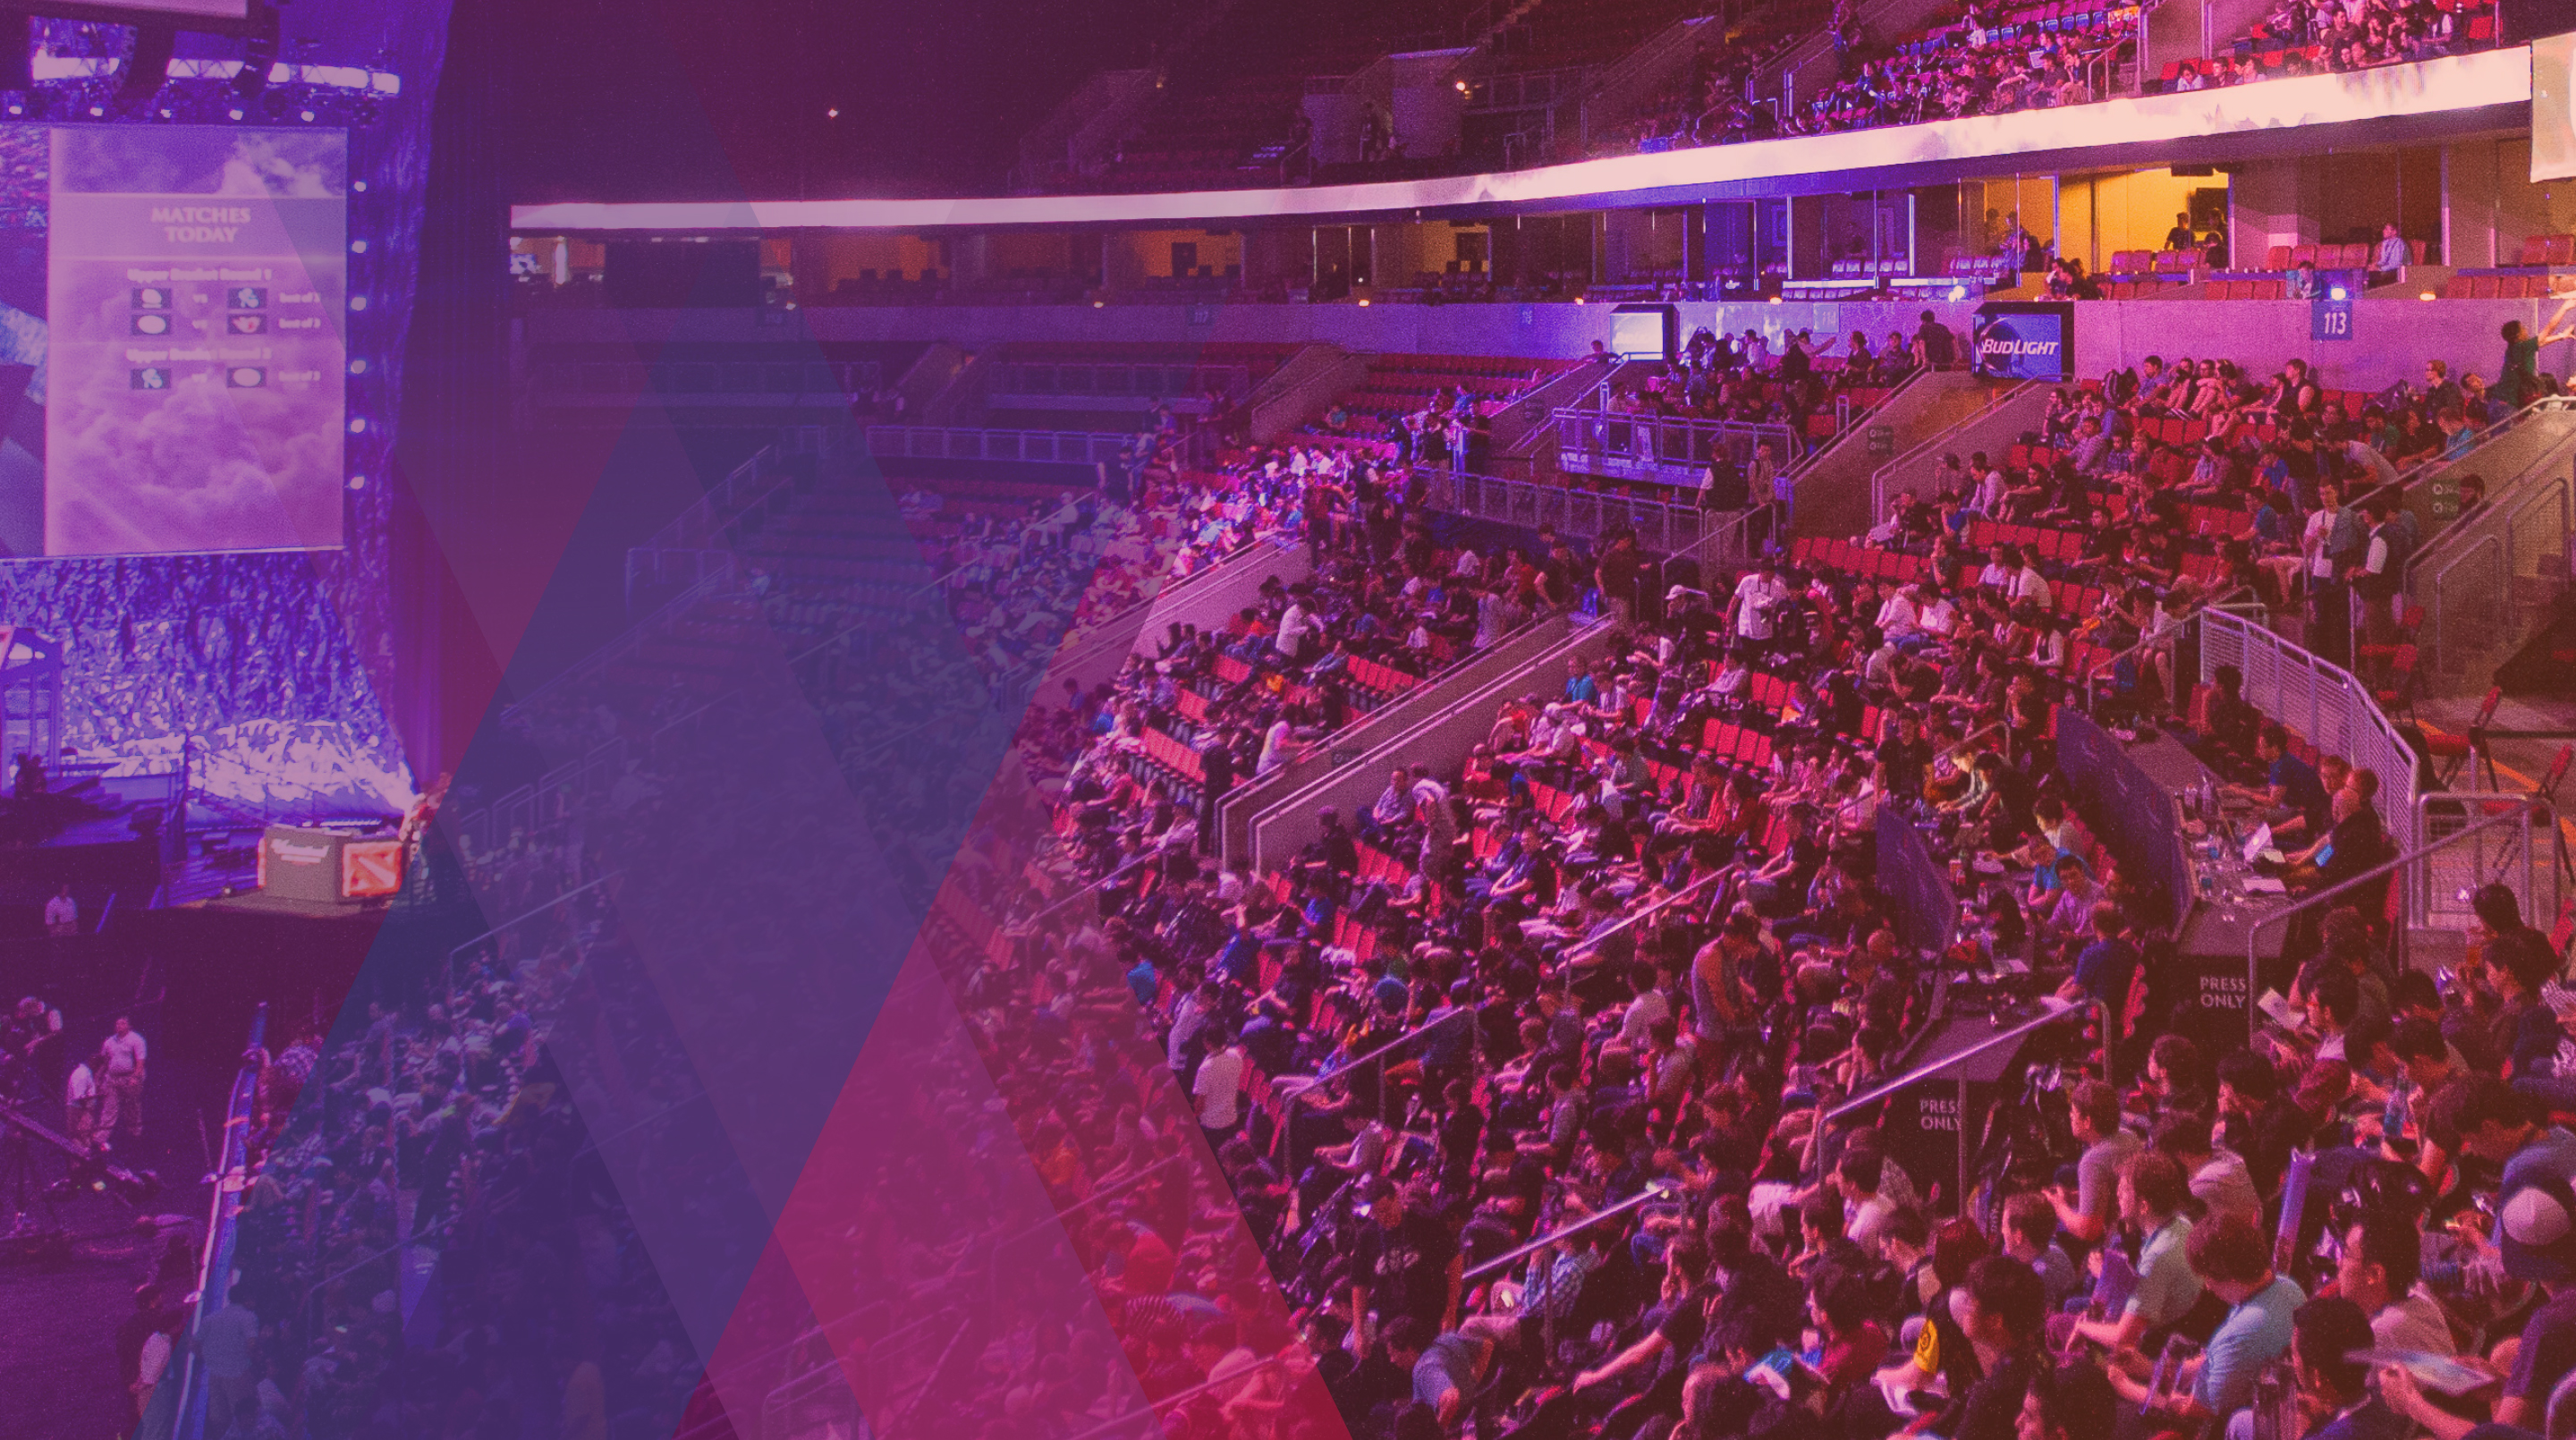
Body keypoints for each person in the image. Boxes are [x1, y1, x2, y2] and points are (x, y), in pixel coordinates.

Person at [99, 1013, 146, 1146]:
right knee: (109, 1108)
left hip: (130, 1077)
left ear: (129, 1026)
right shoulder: (109, 1042)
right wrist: (100, 1078)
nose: (119, 1026)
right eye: (117, 1024)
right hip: (113, 1079)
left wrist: (135, 1077)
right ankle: (101, 1138)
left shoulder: (136, 1040)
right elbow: (104, 1061)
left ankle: (135, 1135)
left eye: (122, 1023)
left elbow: (140, 1061)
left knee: (132, 1108)